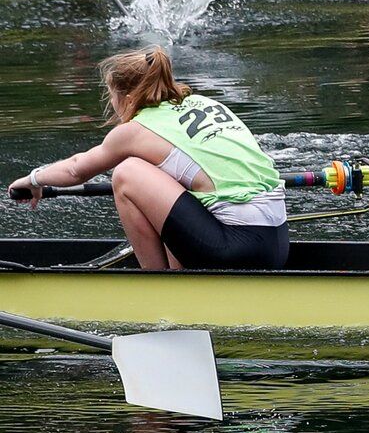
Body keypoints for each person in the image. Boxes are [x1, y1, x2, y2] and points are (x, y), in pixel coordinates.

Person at [9, 47, 287, 271]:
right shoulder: (207, 104)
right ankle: (179, 273)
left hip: (236, 250)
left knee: (127, 172)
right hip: (277, 245)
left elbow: (75, 170)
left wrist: (33, 179)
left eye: (111, 95)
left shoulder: (135, 132)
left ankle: (155, 282)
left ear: (128, 97)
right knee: (165, 171)